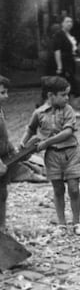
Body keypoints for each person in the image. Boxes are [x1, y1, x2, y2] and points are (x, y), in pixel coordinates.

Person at [20, 76, 80, 236]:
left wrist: (46, 142)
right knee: (58, 189)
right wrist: (23, 143)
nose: (67, 98)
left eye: (67, 95)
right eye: (63, 95)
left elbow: (68, 131)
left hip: (71, 152)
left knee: (74, 188)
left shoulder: (68, 110)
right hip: (52, 156)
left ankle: (77, 222)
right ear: (51, 96)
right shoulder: (39, 113)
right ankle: (62, 224)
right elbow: (30, 129)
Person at [53, 16, 80, 116]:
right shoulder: (59, 35)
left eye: (71, 21)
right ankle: (70, 109)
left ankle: (70, 109)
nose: (69, 23)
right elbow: (57, 51)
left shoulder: (69, 35)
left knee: (71, 86)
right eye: (67, 21)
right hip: (65, 64)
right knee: (71, 86)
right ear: (62, 23)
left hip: (71, 63)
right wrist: (59, 66)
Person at [0, 76, 15, 233]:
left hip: (4, 158)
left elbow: (3, 135)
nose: (6, 96)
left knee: (2, 193)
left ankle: (1, 226)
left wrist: (11, 149)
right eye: (2, 92)